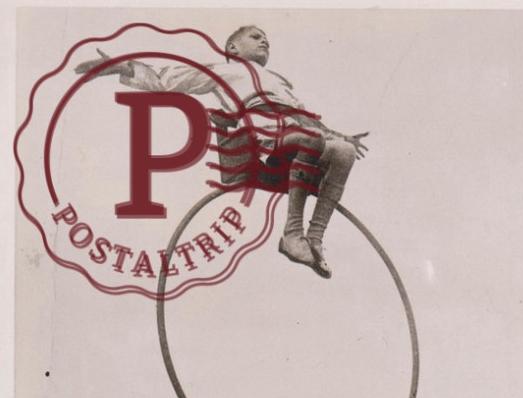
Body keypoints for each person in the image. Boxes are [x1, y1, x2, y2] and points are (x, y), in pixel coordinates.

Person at [74, 25, 368, 279]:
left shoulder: (280, 82)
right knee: (310, 138)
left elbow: (306, 118)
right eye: (255, 37)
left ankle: (314, 238)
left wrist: (339, 136)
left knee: (343, 152)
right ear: (233, 48)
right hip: (262, 140)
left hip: (298, 136)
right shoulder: (226, 71)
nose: (264, 41)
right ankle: (292, 235)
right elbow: (172, 79)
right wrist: (126, 67)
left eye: (266, 38)